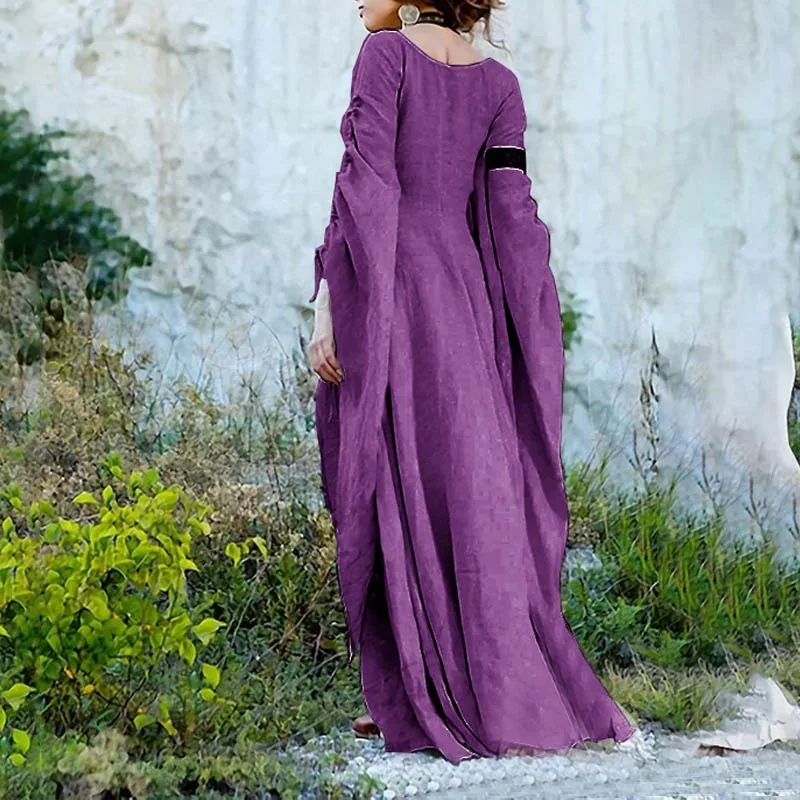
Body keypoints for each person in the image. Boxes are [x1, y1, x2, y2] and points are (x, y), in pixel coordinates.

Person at [307, 0, 638, 764]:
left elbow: (365, 188)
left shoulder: (386, 56)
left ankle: (423, 697)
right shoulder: (500, 85)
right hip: (464, 304)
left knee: (399, 489)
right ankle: (444, 691)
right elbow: (512, 213)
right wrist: (530, 325)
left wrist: (330, 301)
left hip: (395, 291)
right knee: (467, 494)